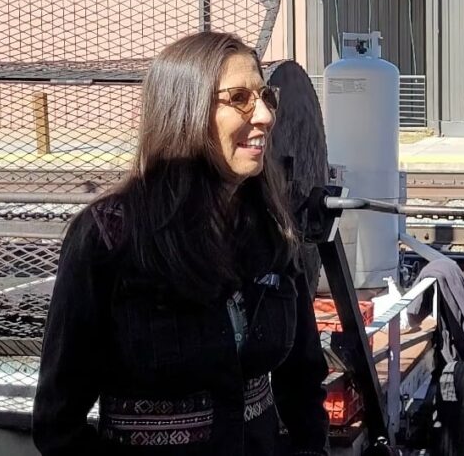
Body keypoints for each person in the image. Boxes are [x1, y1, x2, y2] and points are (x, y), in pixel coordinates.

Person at [33, 31, 329, 455]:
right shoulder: (108, 238)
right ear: (185, 112)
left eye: (266, 96)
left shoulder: (271, 226)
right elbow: (57, 424)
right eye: (240, 98)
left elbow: (302, 378)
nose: (264, 115)